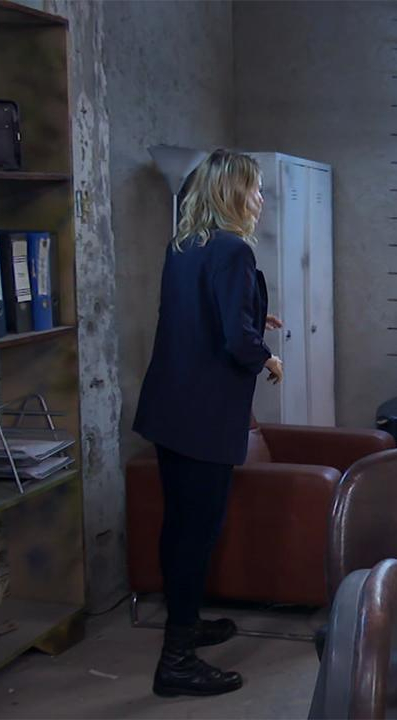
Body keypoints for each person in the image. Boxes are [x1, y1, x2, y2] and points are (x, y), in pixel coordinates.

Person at [133, 150, 284, 698]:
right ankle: (176, 662)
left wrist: (253, 316)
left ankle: (187, 622)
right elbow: (236, 341)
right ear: (232, 194)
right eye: (255, 188)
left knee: (178, 527)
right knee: (197, 534)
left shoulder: (183, 246)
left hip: (169, 409)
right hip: (203, 416)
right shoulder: (233, 249)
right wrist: (267, 356)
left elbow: (194, 315)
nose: (260, 198)